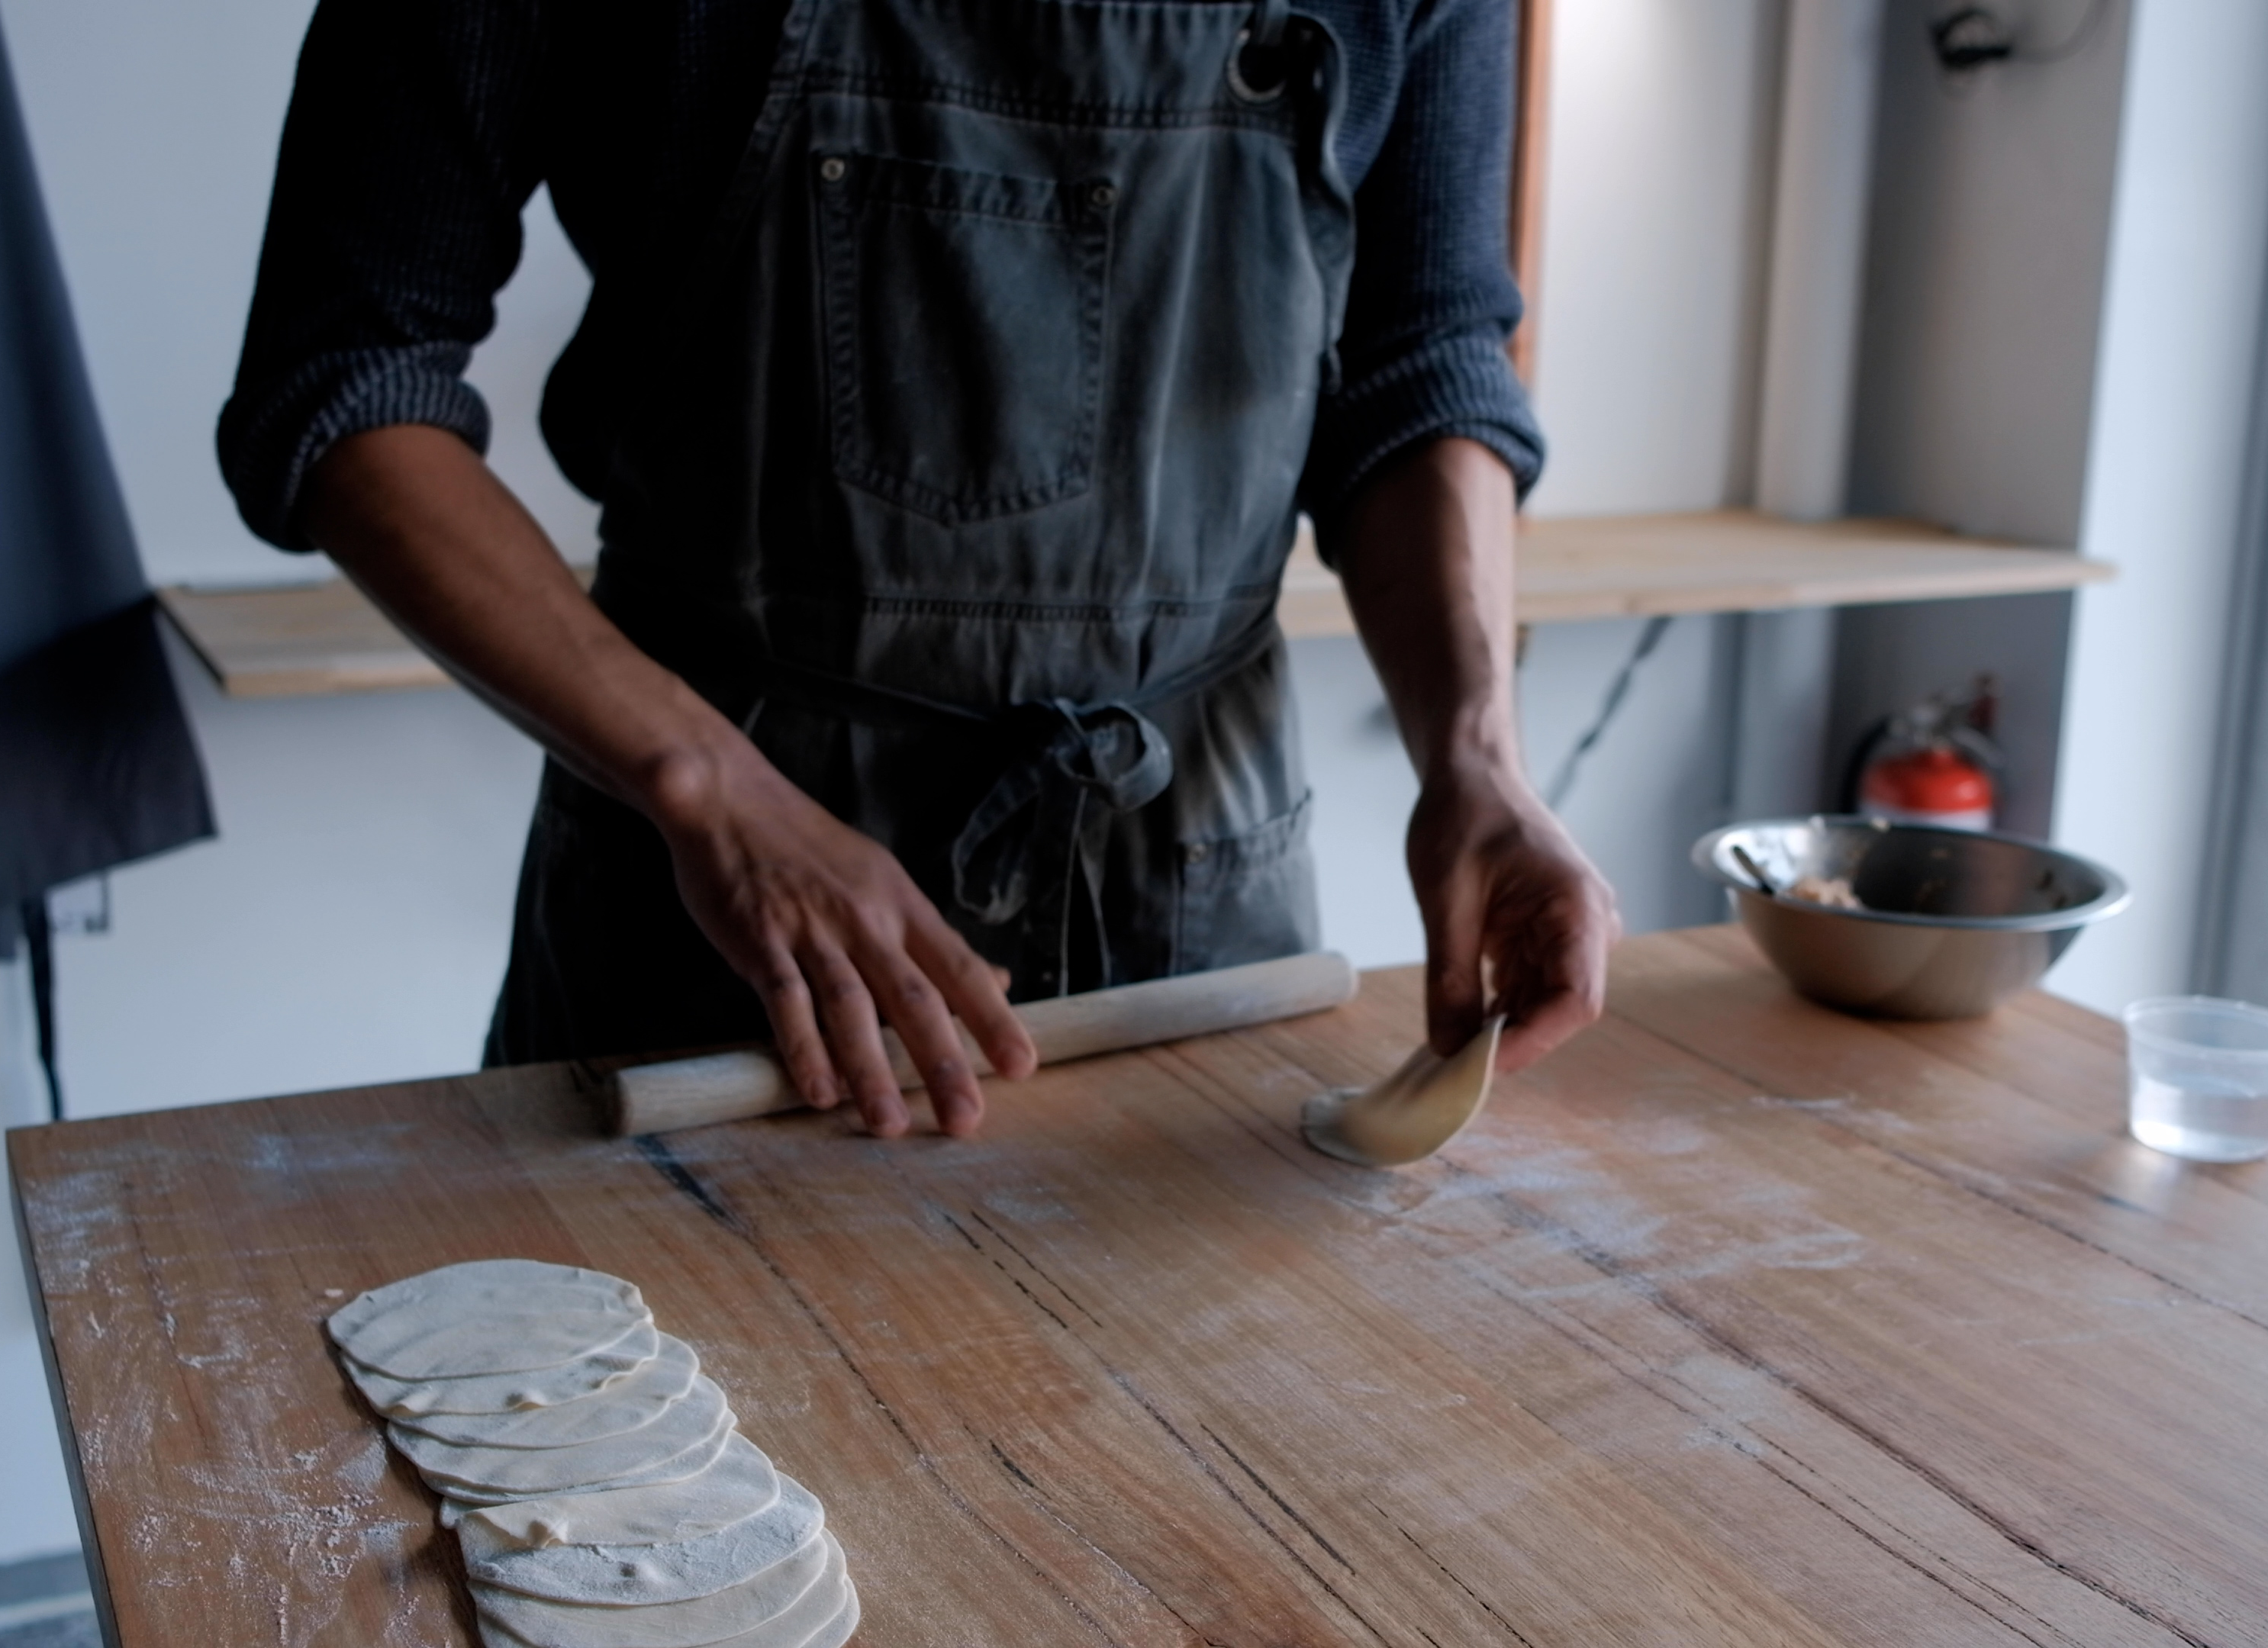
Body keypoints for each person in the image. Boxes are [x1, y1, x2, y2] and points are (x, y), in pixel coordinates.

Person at [219, 0, 1618, 1140]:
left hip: (1198, 898)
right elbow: (346, 381)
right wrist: (703, 784)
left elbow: (1419, 367)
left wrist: (1479, 756)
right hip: (733, 924)